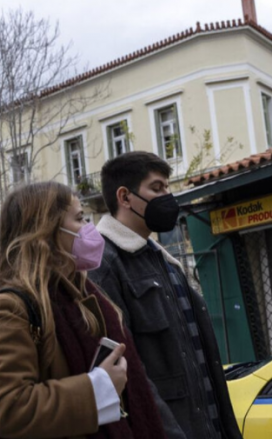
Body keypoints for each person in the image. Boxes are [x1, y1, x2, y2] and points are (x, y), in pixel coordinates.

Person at [0, 182, 166, 439]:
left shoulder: (83, 295)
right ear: (46, 230)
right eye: (79, 218)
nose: (89, 228)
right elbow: (6, 408)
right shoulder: (9, 308)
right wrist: (98, 388)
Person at [88, 151, 242, 439]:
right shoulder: (104, 265)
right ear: (125, 197)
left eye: (168, 188)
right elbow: (128, 370)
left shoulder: (163, 260)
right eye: (157, 188)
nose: (167, 197)